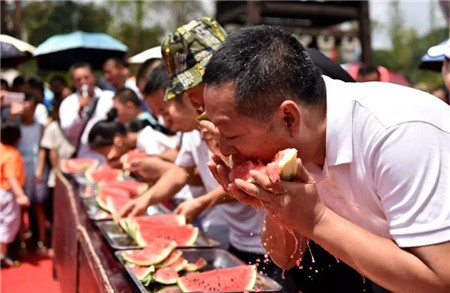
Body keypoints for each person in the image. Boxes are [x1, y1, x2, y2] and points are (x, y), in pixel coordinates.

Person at [203, 25, 450, 293]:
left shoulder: (397, 134)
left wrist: (317, 220)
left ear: (289, 118)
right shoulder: (296, 143)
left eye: (231, 134)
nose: (224, 149)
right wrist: (270, 203)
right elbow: (284, 258)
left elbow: (440, 280)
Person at [59, 62, 114, 162]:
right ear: (73, 82)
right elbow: (68, 132)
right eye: (78, 80)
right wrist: (79, 112)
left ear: (93, 78)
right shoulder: (68, 103)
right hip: (84, 156)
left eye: (86, 78)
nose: (83, 82)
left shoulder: (108, 98)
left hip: (107, 156)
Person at [17, 94, 50, 254]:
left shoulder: (40, 127)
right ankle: (23, 243)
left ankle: (41, 242)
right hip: (21, 166)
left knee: (39, 206)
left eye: (31, 108)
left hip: (36, 165)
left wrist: (40, 169)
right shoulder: (16, 126)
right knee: (21, 207)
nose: (28, 111)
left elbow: (43, 148)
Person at [0, 121, 30, 267]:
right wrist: (20, 195)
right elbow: (10, 176)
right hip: (6, 193)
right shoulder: (13, 154)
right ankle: (2, 255)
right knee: (7, 223)